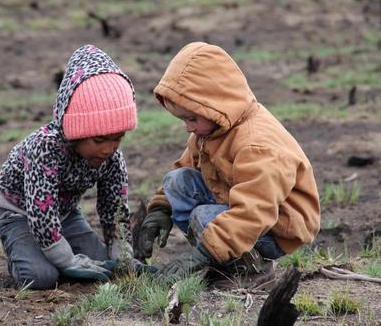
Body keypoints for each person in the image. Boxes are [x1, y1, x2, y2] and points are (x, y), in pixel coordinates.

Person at [135, 42, 321, 288]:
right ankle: (225, 260)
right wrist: (160, 211)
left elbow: (256, 211)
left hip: (276, 226)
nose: (188, 127)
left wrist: (201, 255)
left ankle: (254, 270)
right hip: (239, 205)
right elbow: (184, 168)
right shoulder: (210, 129)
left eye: (192, 118)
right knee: (176, 182)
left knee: (203, 217)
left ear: (215, 104)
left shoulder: (257, 145)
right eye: (183, 119)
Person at [0, 44, 141, 290]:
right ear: (76, 132)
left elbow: (115, 208)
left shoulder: (112, 156)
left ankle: (61, 256)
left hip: (65, 214)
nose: (109, 148)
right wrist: (65, 258)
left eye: (118, 138)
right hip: (19, 213)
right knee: (41, 277)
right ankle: (23, 253)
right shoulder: (46, 147)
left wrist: (122, 255)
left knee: (104, 265)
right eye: (100, 140)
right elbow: (41, 211)